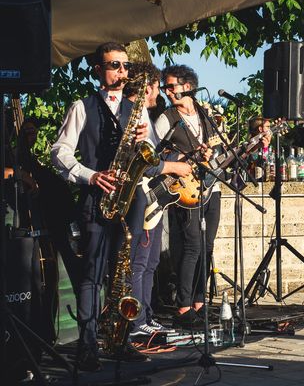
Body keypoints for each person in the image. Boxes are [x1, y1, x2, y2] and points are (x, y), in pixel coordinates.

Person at [51, 43, 149, 371]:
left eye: (124, 66)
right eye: (113, 66)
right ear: (98, 71)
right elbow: (60, 152)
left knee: (122, 275)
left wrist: (144, 142)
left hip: (130, 200)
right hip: (97, 198)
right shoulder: (82, 106)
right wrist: (91, 176)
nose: (121, 72)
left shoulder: (137, 111)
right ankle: (88, 346)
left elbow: (151, 159)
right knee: (92, 275)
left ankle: (121, 340)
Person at [121, 62, 192, 337]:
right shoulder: (131, 114)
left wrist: (180, 159)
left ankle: (146, 316)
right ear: (147, 85)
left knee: (149, 264)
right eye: (157, 86)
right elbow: (144, 162)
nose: (159, 92)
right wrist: (173, 167)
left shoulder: (145, 114)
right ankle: (135, 322)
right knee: (138, 264)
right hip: (138, 195)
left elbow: (154, 157)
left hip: (148, 195)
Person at [155, 65, 222, 329]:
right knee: (192, 246)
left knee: (207, 247)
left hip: (210, 187)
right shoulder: (167, 118)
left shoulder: (206, 115)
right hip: (184, 191)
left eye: (171, 86)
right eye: (165, 87)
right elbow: (151, 155)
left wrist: (210, 156)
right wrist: (179, 158)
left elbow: (216, 149)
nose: (168, 92)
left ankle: (199, 303)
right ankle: (183, 308)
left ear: (188, 86)